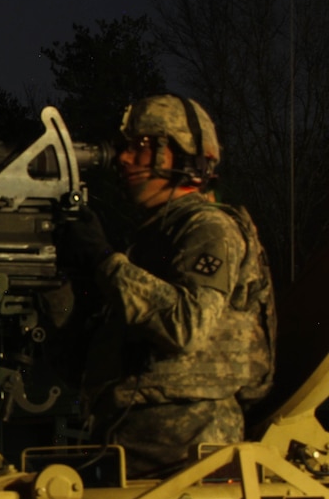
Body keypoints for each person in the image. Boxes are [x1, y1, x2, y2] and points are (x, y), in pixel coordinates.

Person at [64, 94, 276, 479]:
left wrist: (104, 261)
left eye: (141, 148)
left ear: (180, 155)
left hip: (188, 456)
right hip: (132, 448)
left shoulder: (208, 228)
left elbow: (186, 324)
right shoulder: (152, 238)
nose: (125, 160)